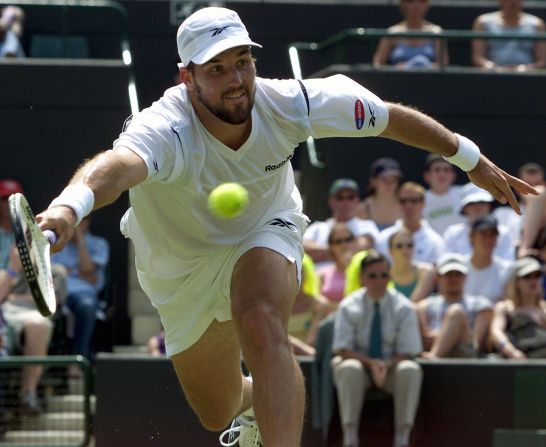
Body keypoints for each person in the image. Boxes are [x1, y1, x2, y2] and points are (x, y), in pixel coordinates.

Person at [34, 6, 536, 446]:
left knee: (259, 316)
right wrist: (66, 209)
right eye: (217, 69)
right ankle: (259, 402)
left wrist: (468, 157)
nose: (235, 80)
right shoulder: (164, 128)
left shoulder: (291, 102)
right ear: (186, 78)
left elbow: (389, 118)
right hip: (177, 267)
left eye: (243, 62)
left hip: (264, 229)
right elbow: (116, 168)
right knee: (216, 411)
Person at [332, 250, 423, 447]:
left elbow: (410, 350)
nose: (379, 281)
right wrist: (371, 364)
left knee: (411, 369)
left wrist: (386, 365)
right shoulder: (349, 305)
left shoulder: (403, 306)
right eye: (372, 276)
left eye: (384, 275)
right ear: (362, 278)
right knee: (349, 368)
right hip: (361, 368)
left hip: (392, 369)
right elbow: (342, 348)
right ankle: (350, 439)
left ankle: (402, 439)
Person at [0, 246, 67, 414]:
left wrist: (14, 297)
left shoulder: (55, 272)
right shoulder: (6, 274)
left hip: (34, 314)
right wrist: (13, 270)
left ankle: (27, 393)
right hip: (5, 316)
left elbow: (52, 302)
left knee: (38, 325)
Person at [50, 215, 109, 371]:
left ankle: (77, 362)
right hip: (57, 294)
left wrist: (80, 240)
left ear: (88, 222)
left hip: (84, 295)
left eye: (82, 219)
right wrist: (82, 274)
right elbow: (51, 273)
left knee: (87, 306)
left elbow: (87, 268)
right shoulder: (56, 243)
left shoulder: (99, 244)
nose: (77, 224)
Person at [416, 253, 493, 358]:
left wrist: (443, 335)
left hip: (464, 356)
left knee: (456, 312)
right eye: (448, 274)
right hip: (429, 350)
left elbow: (476, 342)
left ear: (465, 277)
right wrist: (454, 334)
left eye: (458, 274)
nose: (453, 279)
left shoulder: (480, 304)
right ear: (438, 277)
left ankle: (434, 357)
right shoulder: (424, 306)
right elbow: (425, 340)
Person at [304, 178, 378, 269]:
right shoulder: (318, 227)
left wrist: (323, 253)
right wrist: (340, 252)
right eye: (340, 197)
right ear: (331, 201)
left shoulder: (367, 225)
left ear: (357, 200)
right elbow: (302, 249)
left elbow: (363, 247)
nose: (345, 202)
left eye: (350, 197)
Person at [376, 181, 446, 265]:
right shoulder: (383, 239)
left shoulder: (435, 242)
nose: (408, 205)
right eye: (403, 201)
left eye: (414, 201)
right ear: (397, 203)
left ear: (423, 204)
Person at [490, 257, 546, 359]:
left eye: (537, 276)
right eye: (527, 276)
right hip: (517, 365)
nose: (533, 281)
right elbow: (496, 332)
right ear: (516, 282)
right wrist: (511, 352)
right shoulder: (505, 308)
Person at [443, 186, 517, 261]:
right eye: (472, 203)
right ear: (464, 208)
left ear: (490, 206)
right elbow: (447, 263)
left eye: (482, 203)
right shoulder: (452, 233)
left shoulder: (503, 233)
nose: (478, 207)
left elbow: (509, 263)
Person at [471, 0, 546, 72]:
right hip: (492, 78)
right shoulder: (483, 22)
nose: (513, 2)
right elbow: (478, 58)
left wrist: (525, 69)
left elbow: (542, 61)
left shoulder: (537, 24)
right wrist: (494, 69)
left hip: (528, 80)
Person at [373, 0, 448, 69]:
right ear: (403, 4)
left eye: (422, 0)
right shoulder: (391, 33)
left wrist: (426, 66)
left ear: (427, 4)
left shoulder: (437, 32)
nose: (416, 4)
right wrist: (396, 69)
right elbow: (378, 65)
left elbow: (443, 65)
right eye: (410, 0)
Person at [463, 214, 513, 304]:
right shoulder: (459, 267)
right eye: (483, 234)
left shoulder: (507, 270)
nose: (488, 240)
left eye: (492, 235)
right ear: (472, 237)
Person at [388, 228, 436, 302]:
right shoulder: (384, 275)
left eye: (409, 245)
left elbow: (413, 304)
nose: (405, 250)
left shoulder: (426, 271)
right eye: (399, 246)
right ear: (390, 251)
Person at [422, 153, 464, 235]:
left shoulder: (465, 195)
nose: (442, 174)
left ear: (453, 175)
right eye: (437, 170)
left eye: (446, 170)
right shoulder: (418, 199)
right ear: (427, 176)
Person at [317, 222, 358, 305]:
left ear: (354, 242)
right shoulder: (322, 274)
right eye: (338, 241)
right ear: (331, 247)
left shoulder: (365, 269)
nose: (344, 244)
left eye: (348, 239)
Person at [356, 157, 403, 230]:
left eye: (393, 180)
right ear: (373, 181)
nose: (389, 184)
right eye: (384, 179)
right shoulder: (363, 209)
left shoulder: (406, 205)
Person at [0, 178, 23, 269]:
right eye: (5, 198)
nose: (9, 203)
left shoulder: (27, 232)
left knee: (57, 272)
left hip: (19, 280)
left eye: (13, 198)